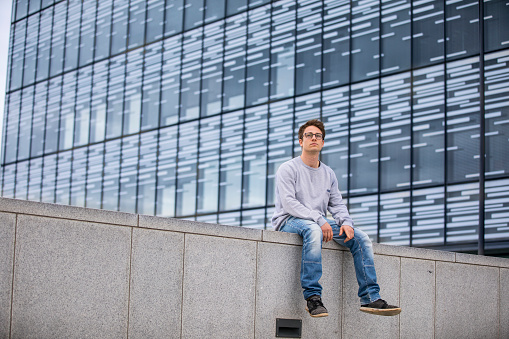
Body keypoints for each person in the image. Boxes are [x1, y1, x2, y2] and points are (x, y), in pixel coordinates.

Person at [272, 119, 401, 317]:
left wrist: (347, 223)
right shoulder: (288, 168)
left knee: (360, 237)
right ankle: (313, 298)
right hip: (289, 220)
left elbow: (338, 205)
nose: (313, 138)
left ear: (322, 142)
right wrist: (319, 219)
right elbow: (289, 203)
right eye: (309, 135)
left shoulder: (328, 173)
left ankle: (370, 298)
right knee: (314, 230)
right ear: (300, 141)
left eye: (318, 136)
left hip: (317, 221)